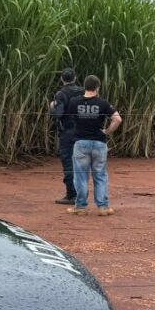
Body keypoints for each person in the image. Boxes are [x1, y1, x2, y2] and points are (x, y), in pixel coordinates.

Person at [66, 75, 122, 216]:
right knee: (100, 175)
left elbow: (65, 115)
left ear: (84, 87)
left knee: (80, 176)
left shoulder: (74, 102)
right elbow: (117, 119)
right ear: (98, 88)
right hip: (99, 143)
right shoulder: (103, 103)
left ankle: (80, 207)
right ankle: (103, 207)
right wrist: (107, 132)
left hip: (80, 143)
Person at [49, 68, 85, 205]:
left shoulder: (61, 94)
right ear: (75, 78)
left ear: (62, 79)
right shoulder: (83, 91)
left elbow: (58, 114)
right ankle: (81, 193)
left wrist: (52, 106)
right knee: (82, 163)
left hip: (68, 133)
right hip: (83, 131)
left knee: (68, 162)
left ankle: (71, 195)